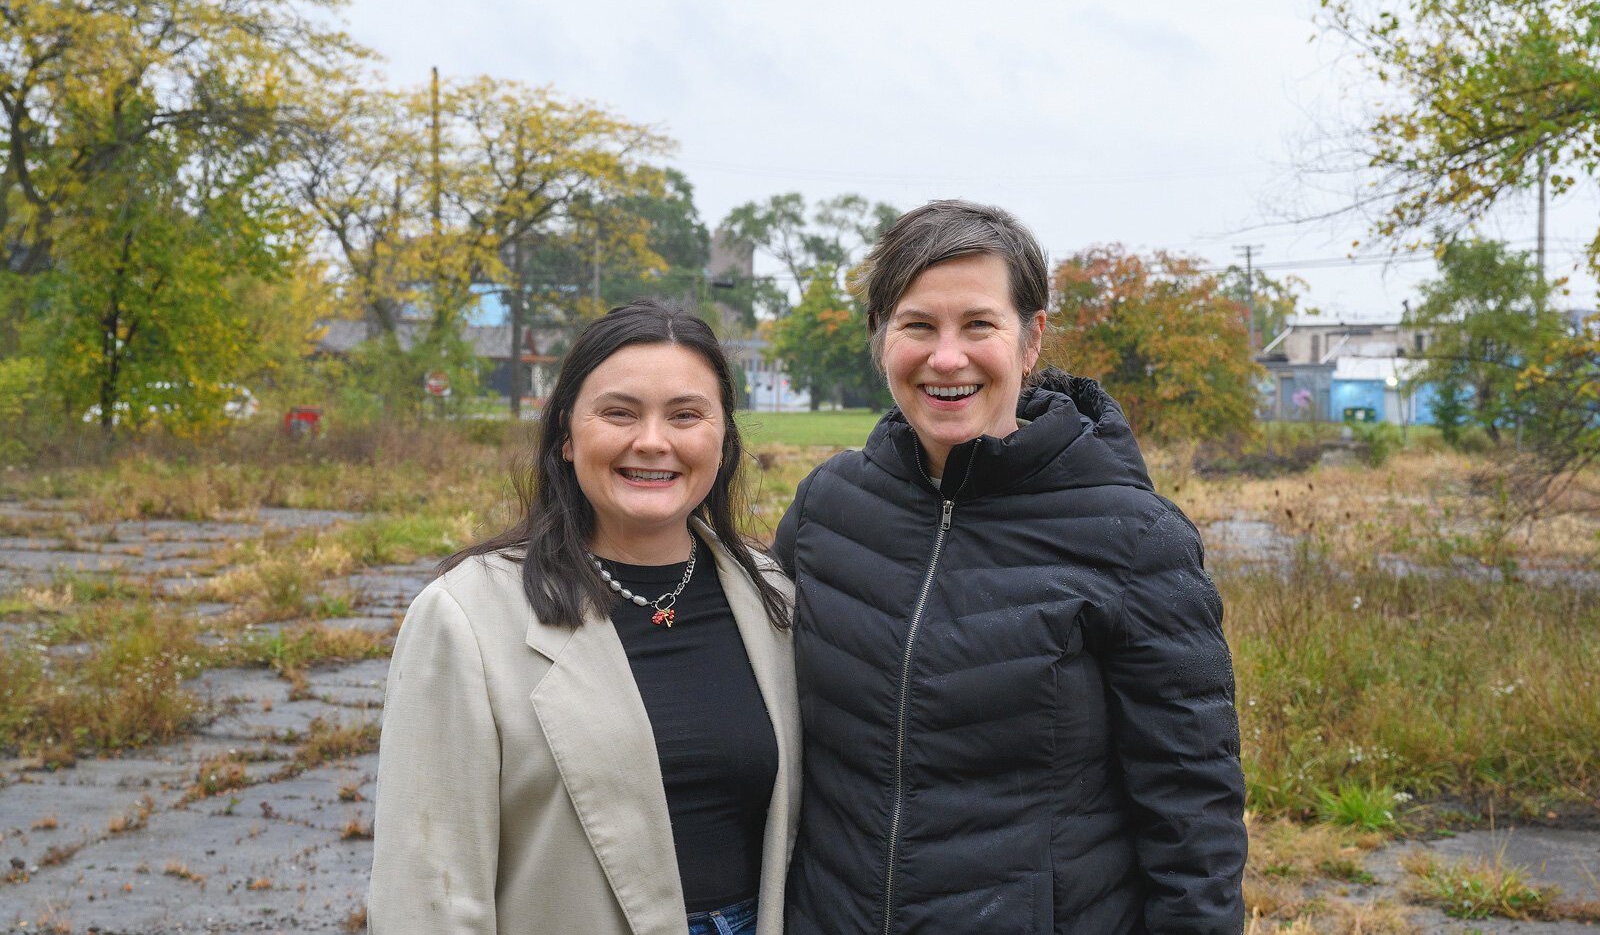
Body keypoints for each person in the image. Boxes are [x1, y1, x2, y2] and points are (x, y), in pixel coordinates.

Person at [774, 200, 1247, 934]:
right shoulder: (828, 509)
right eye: (918, 325)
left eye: (979, 325)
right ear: (881, 337)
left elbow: (1192, 811)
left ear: (1030, 340)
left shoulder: (1133, 538)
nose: (947, 357)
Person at [369, 300, 800, 935]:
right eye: (619, 413)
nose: (653, 441)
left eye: (686, 415)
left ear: (723, 438)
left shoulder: (774, 600)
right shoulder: (466, 617)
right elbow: (428, 891)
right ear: (567, 437)